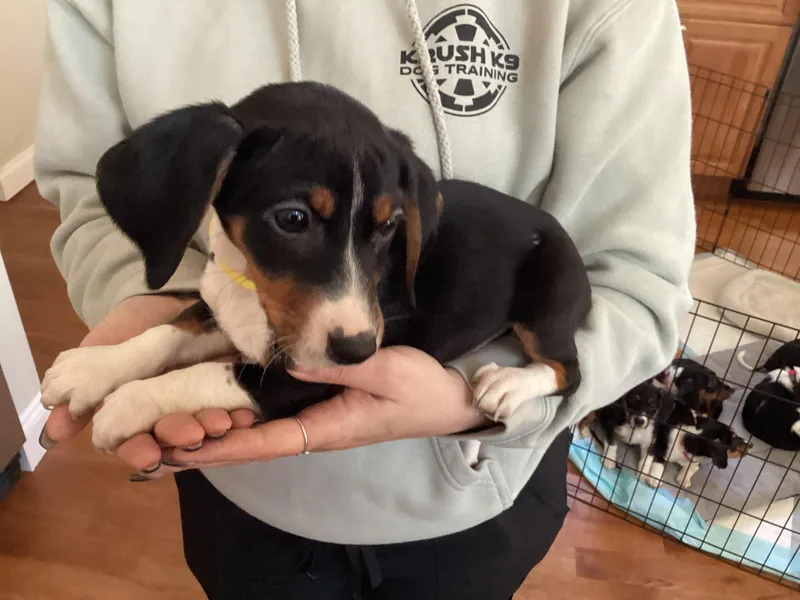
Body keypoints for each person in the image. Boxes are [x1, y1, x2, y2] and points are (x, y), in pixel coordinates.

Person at [35, 0, 695, 598]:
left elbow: (642, 278)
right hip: (240, 505)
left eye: (383, 231)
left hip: (474, 501)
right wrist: (141, 320)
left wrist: (469, 399)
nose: (354, 318)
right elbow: (96, 194)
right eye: (295, 222)